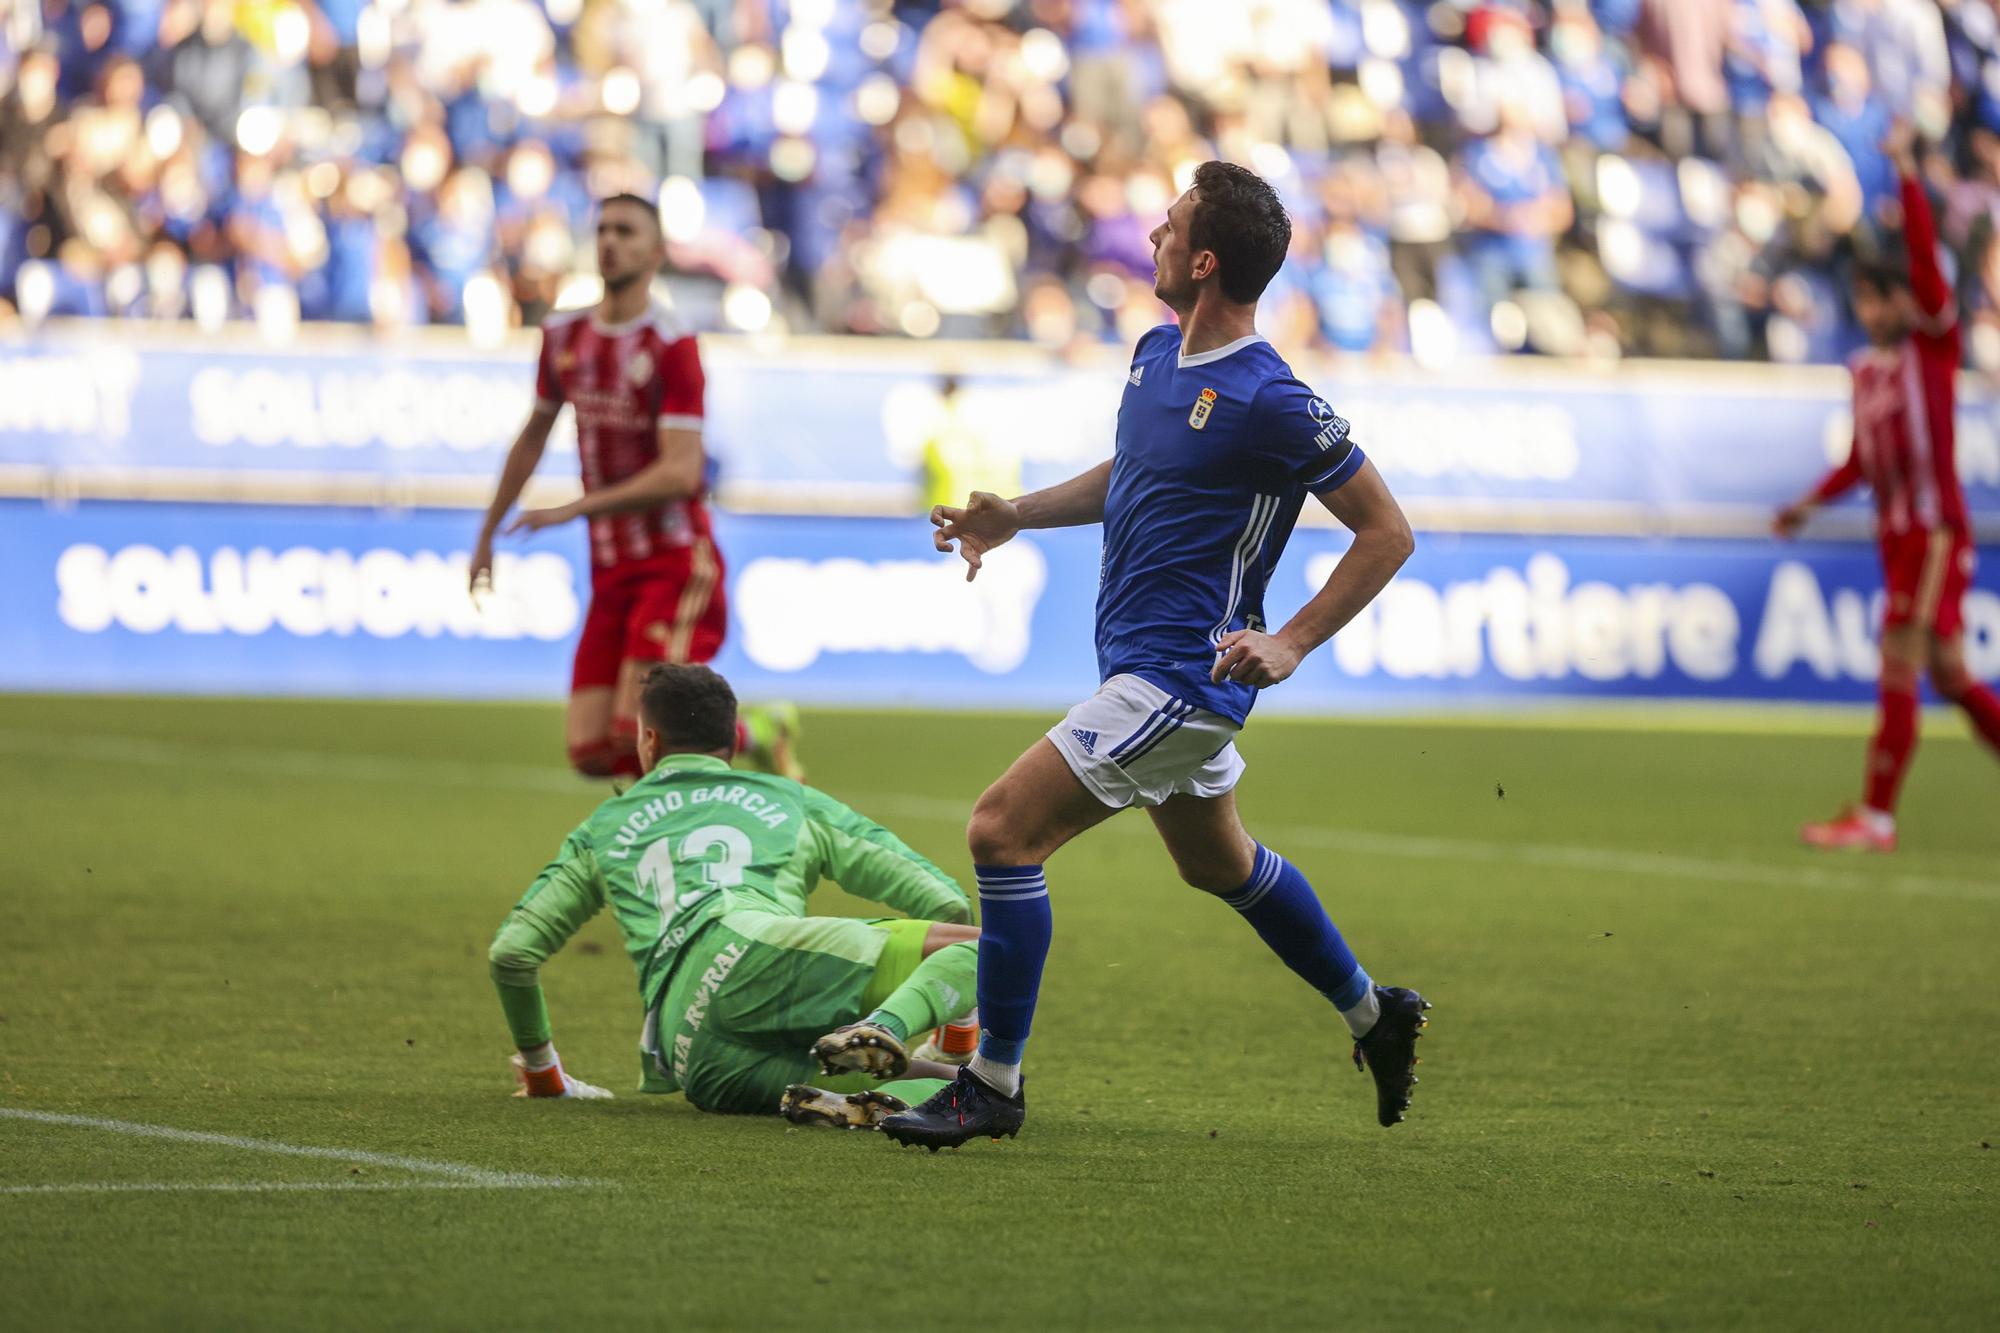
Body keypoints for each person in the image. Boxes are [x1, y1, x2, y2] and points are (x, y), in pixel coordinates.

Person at [885, 162, 1428, 1152]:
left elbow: (1385, 531)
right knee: (1219, 862)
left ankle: (991, 1083)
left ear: (1204, 259)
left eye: (1168, 227)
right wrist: (1016, 515)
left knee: (1002, 830)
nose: (1150, 239)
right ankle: (1371, 1013)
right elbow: (1132, 470)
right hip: (1136, 666)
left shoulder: (1272, 398)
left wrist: (1292, 638)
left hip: (1184, 675)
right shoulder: (1148, 354)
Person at [489, 663, 981, 1126]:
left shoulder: (603, 829)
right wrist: (950, 1035)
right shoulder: (790, 801)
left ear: (650, 738)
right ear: (732, 741)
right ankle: (888, 1028)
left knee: (964, 1094)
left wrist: (541, 1073)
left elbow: (511, 954)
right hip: (756, 955)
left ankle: (844, 1094)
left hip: (697, 1060)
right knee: (990, 947)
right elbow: (946, 904)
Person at [470, 193, 800, 783]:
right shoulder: (565, 336)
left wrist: (577, 507)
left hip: (674, 560)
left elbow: (682, 472)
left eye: (626, 231)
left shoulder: (672, 346)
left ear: (655, 253)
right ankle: (758, 732)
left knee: (643, 734)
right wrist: (487, 532)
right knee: (592, 751)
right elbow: (533, 435)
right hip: (610, 564)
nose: (610, 241)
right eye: (603, 230)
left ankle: (658, 860)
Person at [1776, 125, 2000, 851]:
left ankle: (1875, 816)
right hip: (1896, 535)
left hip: (1935, 534)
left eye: (1888, 297)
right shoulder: (1865, 373)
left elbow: (1936, 285)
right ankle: (1874, 814)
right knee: (1953, 675)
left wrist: (1905, 175)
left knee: (1899, 659)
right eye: (1868, 299)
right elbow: (1863, 462)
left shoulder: (1931, 346)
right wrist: (1809, 502)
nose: (1879, 310)